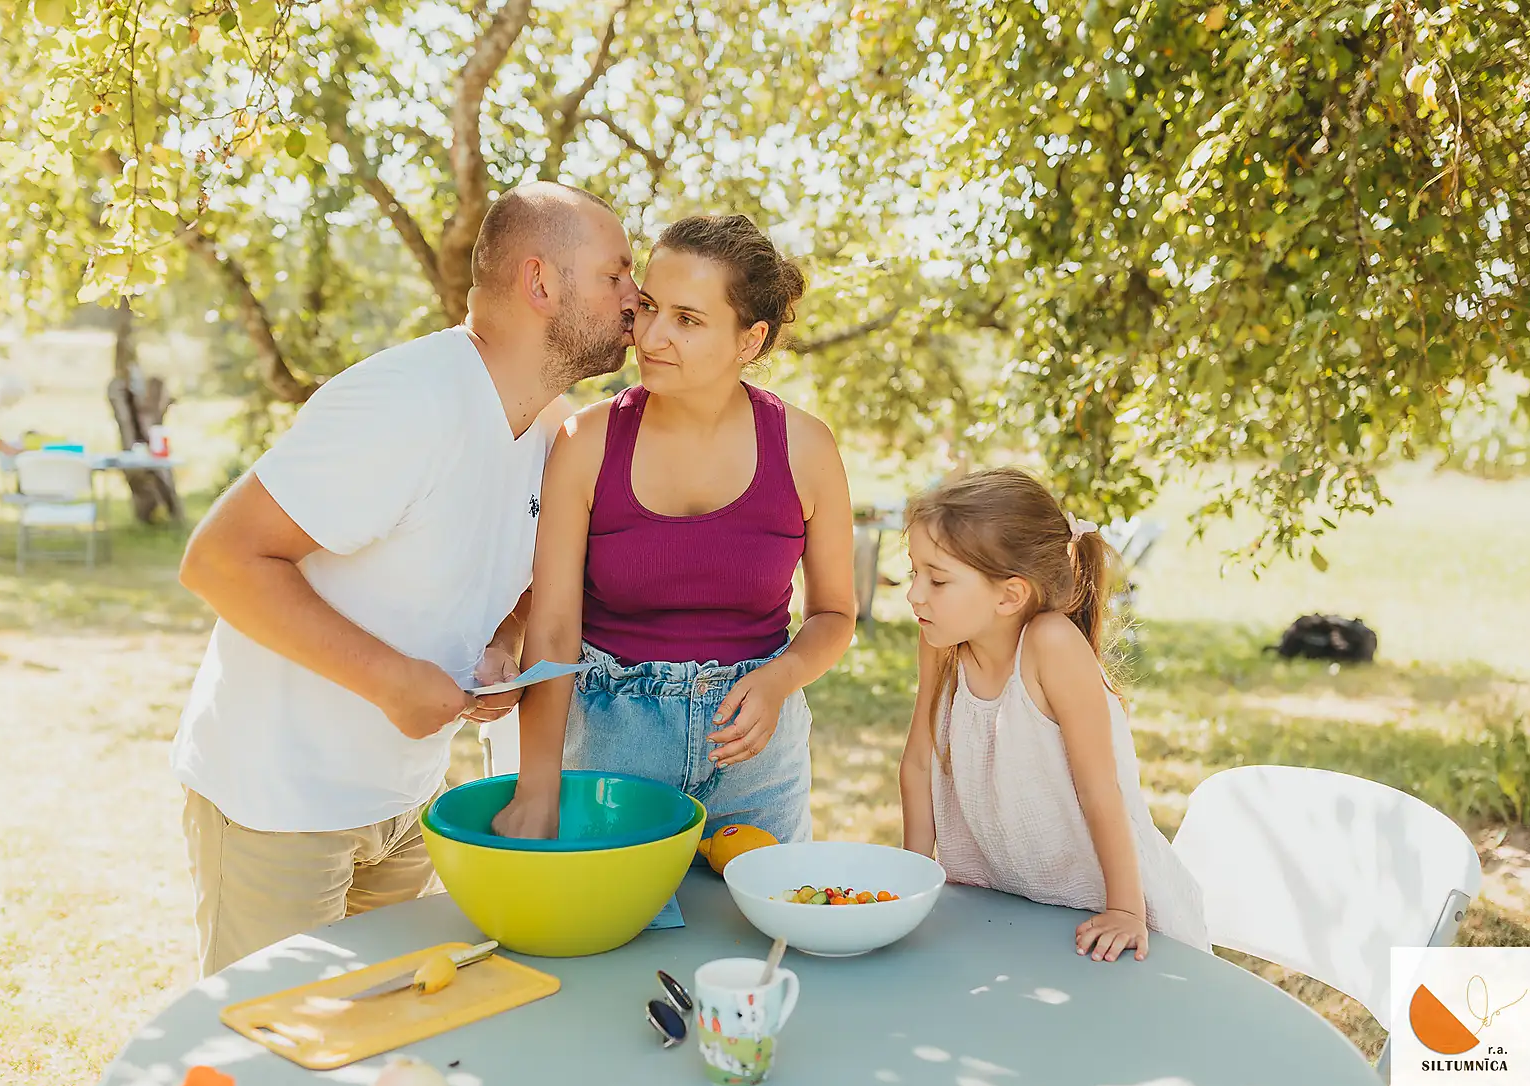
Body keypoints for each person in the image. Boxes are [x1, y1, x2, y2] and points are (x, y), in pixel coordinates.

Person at [169, 182, 641, 975]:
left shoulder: (556, 428)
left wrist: (502, 640)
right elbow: (220, 559)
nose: (638, 298)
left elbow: (517, 571)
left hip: (404, 808)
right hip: (277, 805)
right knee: (271, 1068)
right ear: (541, 283)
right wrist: (391, 681)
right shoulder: (406, 402)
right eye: (617, 274)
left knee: (375, 1056)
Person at [492, 214, 856, 845]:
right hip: (612, 750)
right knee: (614, 937)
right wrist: (537, 788)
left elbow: (834, 615)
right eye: (650, 307)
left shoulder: (806, 448)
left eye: (688, 320)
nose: (652, 336)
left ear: (750, 340)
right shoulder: (587, 444)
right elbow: (553, 628)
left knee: (759, 941)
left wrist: (780, 679)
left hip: (755, 758)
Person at [897, 467, 1207, 961]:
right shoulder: (942, 643)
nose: (914, 593)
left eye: (936, 579)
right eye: (914, 572)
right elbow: (919, 762)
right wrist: (911, 884)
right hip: (1006, 906)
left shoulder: (1051, 645)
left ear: (1009, 594)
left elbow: (1100, 788)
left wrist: (1125, 910)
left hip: (1098, 909)